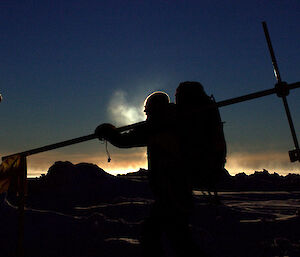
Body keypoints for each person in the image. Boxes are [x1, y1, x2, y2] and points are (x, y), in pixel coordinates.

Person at [95, 91, 196, 257]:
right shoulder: (173, 123)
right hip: (178, 191)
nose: (147, 115)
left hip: (171, 192)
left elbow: (125, 140)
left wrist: (108, 132)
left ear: (154, 110)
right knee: (175, 238)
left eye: (148, 112)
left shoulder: (159, 126)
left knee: (158, 236)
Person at [175, 81, 227, 201]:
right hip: (211, 166)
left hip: (199, 166)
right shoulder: (208, 111)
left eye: (179, 95)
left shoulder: (195, 115)